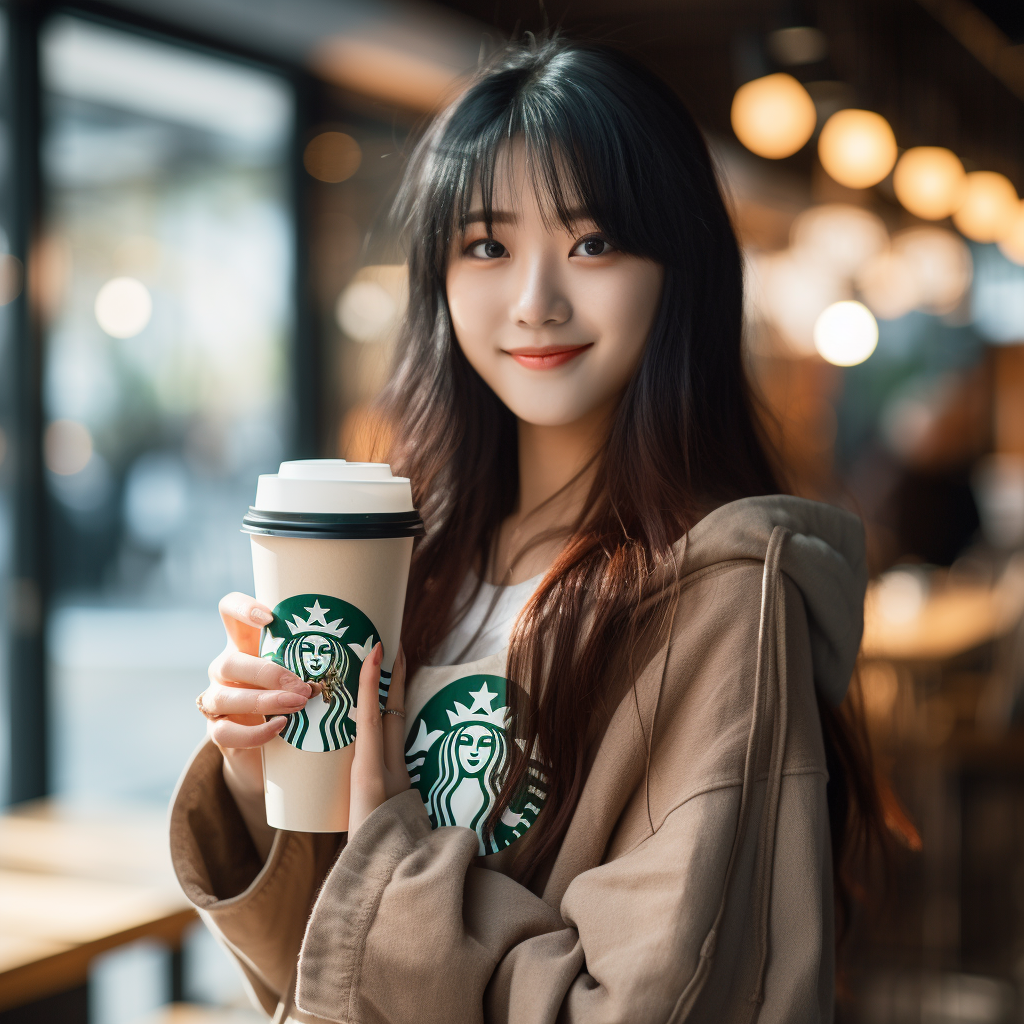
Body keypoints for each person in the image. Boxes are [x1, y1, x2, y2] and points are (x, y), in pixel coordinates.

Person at [174, 35, 882, 1022]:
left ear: (678, 270)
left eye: (592, 242)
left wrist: (392, 849)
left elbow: (633, 1004)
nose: (535, 301)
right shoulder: (418, 565)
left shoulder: (719, 599)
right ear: (440, 275)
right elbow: (318, 976)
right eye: (486, 245)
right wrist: (268, 785)